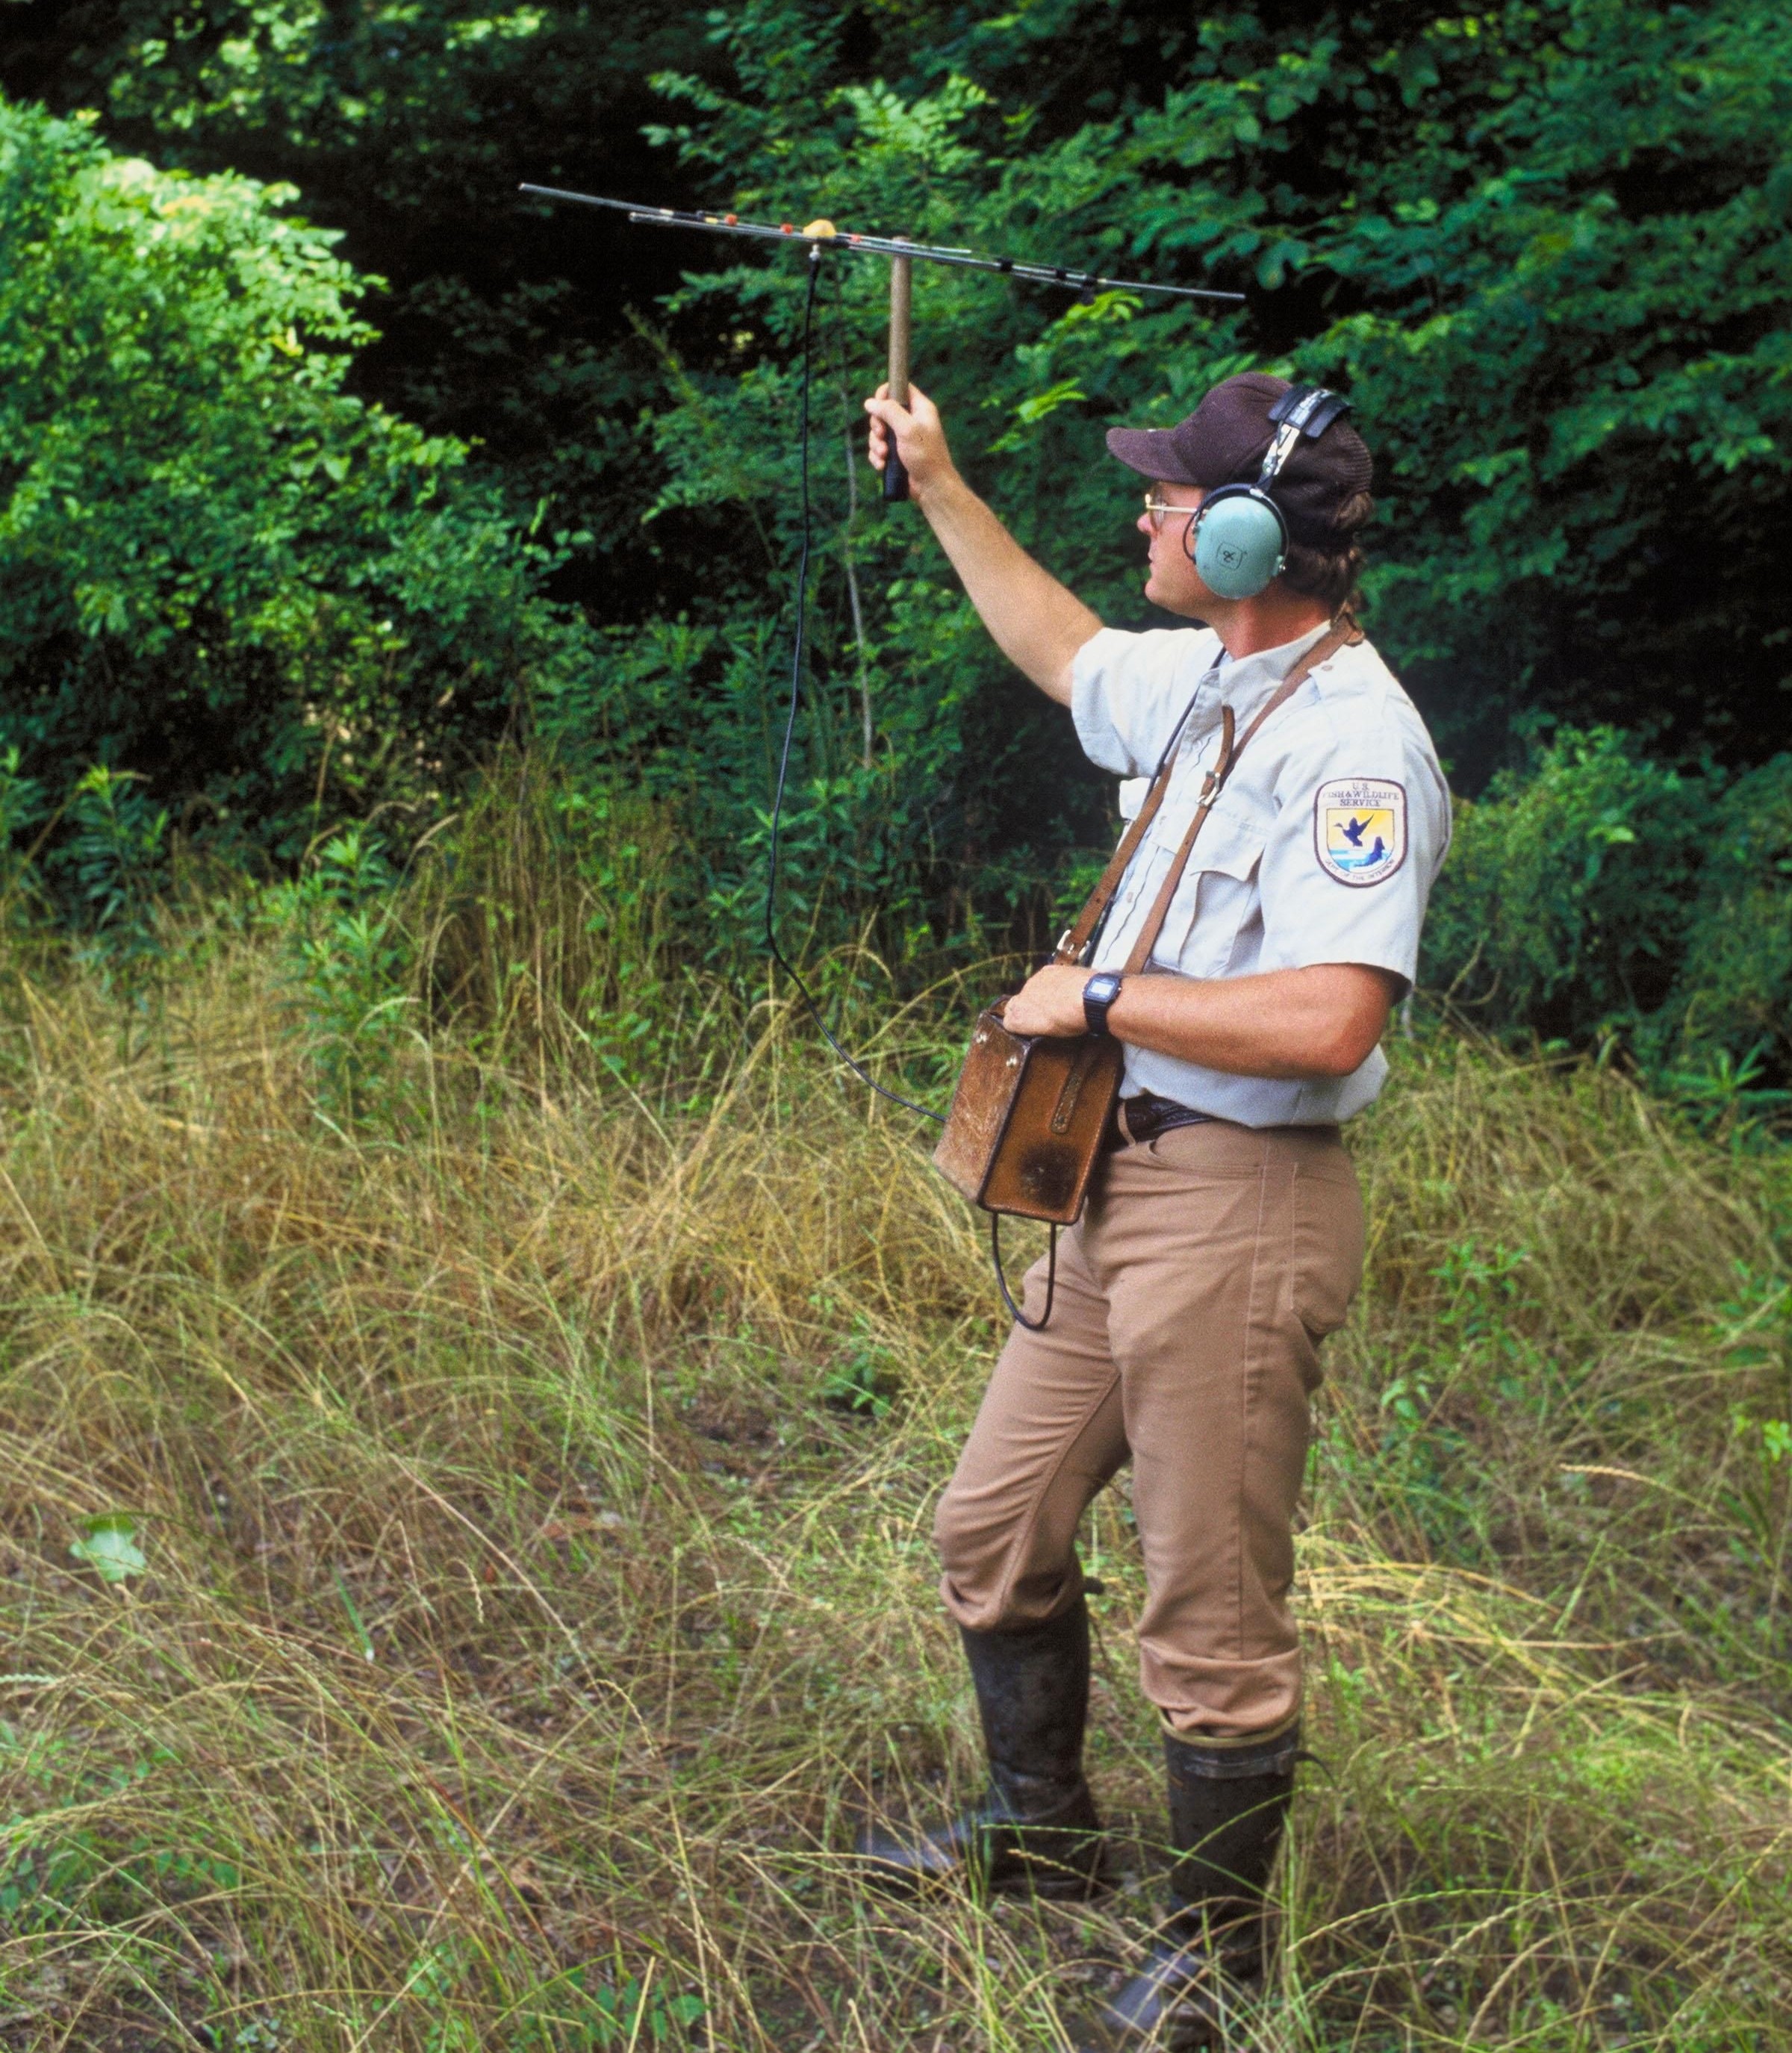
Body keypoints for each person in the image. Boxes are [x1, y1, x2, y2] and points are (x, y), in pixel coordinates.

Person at [854, 370, 1450, 2049]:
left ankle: (1213, 1969)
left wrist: (1100, 998)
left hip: (1242, 1203)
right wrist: (943, 483)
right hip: (1119, 1179)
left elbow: (1335, 1016)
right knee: (993, 1526)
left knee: (1210, 1611)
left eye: (1170, 499)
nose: (1143, 515)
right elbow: (1057, 647)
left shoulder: (1356, 742)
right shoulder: (1206, 680)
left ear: (1250, 536)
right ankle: (1037, 1833)